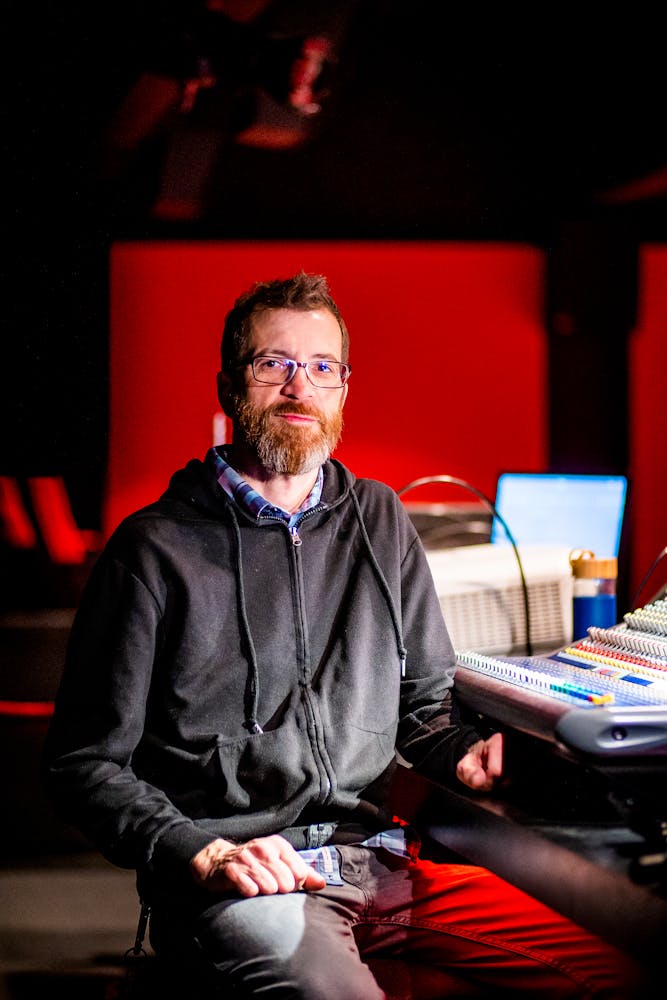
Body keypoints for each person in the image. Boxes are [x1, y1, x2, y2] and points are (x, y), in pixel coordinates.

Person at [43, 272, 651, 998]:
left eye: (322, 367)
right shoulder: (152, 550)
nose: (299, 387)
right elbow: (84, 764)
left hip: (381, 861)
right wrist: (200, 853)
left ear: (343, 389)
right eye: (274, 364)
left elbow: (424, 713)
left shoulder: (380, 519)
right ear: (230, 385)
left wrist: (466, 755)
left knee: (623, 968)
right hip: (246, 876)